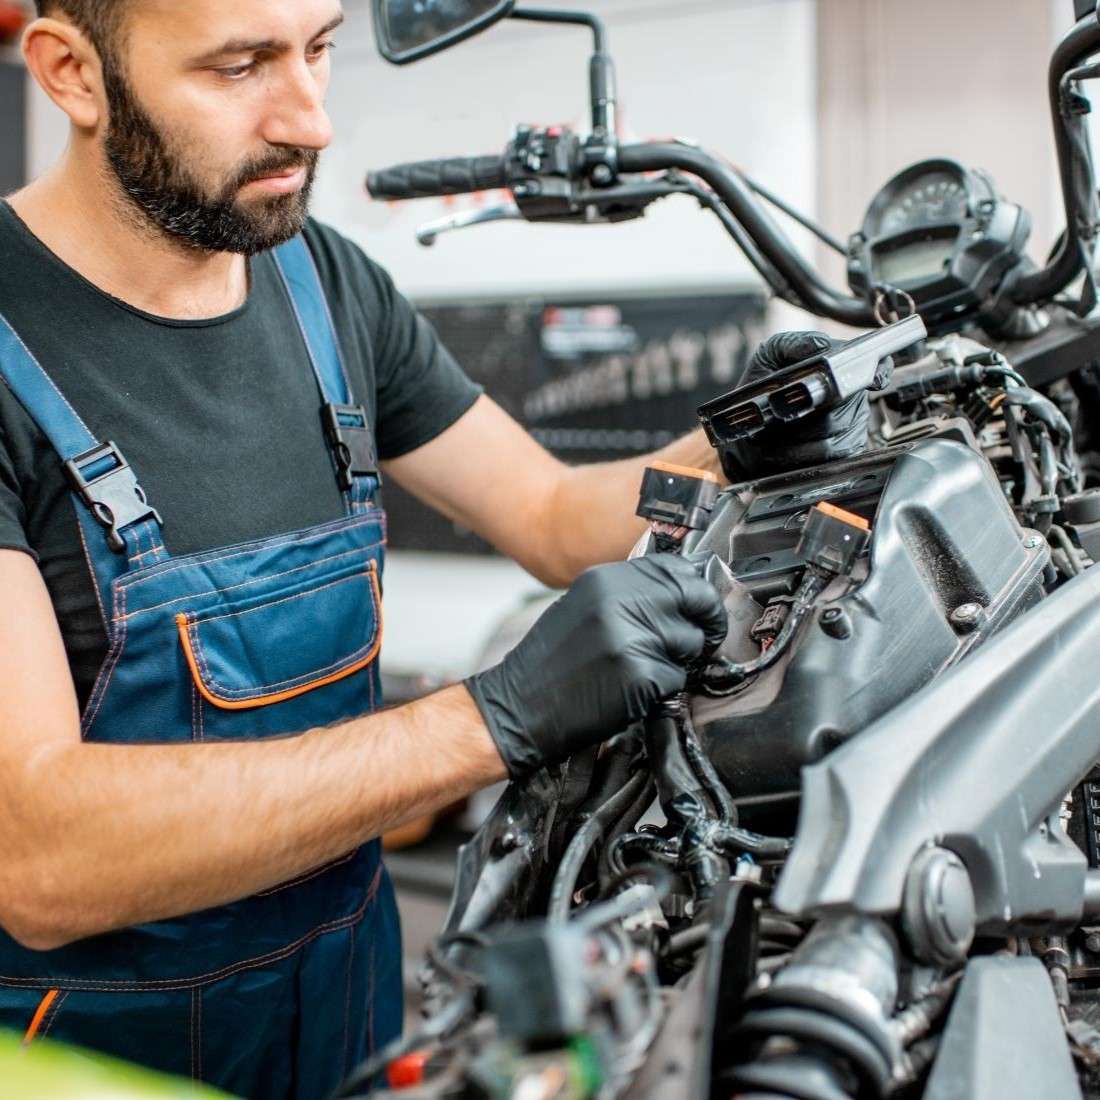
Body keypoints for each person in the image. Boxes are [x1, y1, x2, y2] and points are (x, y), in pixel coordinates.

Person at [0, 2, 733, 1096]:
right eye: (242, 64)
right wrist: (492, 716)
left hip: (350, 1005)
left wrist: (749, 431)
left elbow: (552, 514)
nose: (311, 119)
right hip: (96, 1055)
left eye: (319, 49)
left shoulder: (323, 287)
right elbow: (41, 852)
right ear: (72, 74)